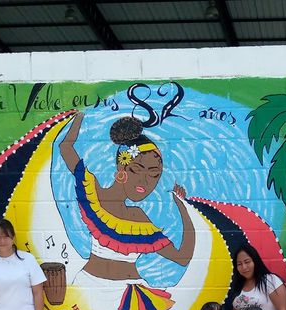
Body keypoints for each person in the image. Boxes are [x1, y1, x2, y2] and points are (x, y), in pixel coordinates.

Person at [59, 112, 194, 290]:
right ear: (121, 166)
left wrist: (182, 206)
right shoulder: (95, 195)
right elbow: (66, 147)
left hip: (132, 296)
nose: (144, 181)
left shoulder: (139, 218)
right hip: (89, 287)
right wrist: (80, 115)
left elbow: (182, 258)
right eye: (137, 170)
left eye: (154, 175)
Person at [229, 243, 286, 310]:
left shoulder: (270, 281)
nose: (244, 267)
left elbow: (283, 309)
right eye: (239, 264)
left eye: (247, 262)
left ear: (255, 261)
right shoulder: (238, 286)